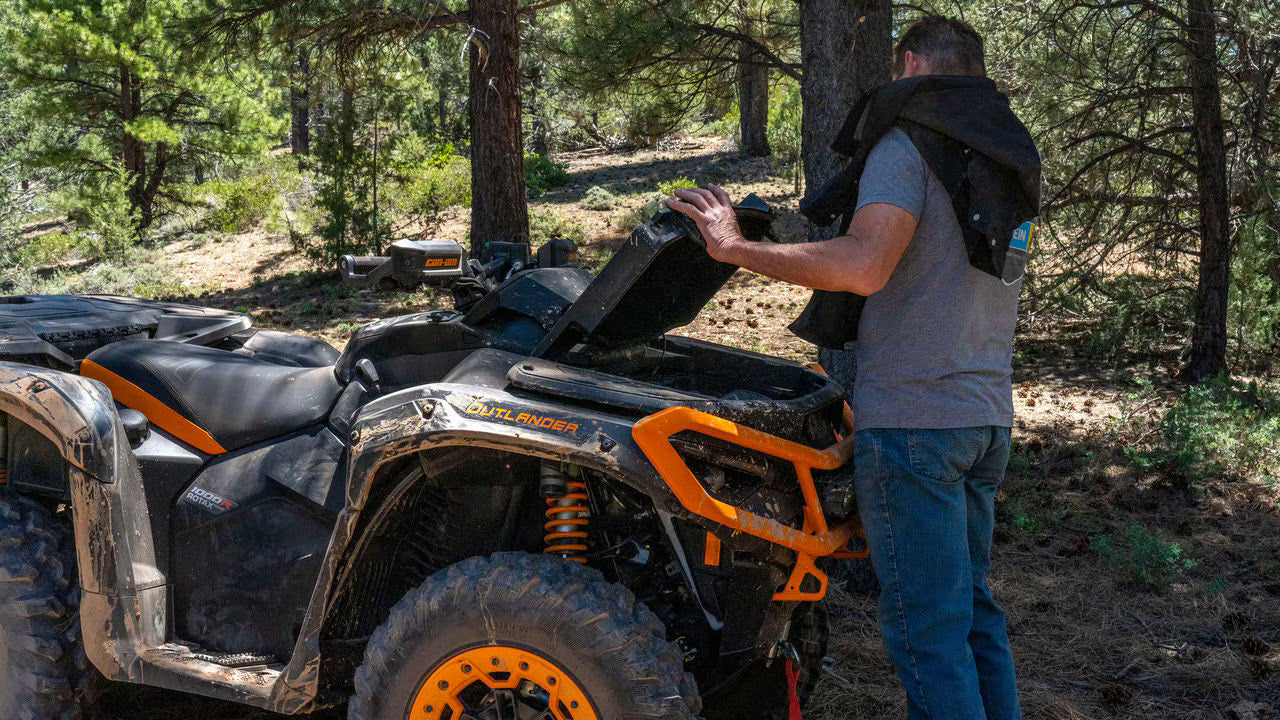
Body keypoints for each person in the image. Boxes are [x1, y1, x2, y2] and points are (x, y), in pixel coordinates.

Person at [666, 16, 1040, 720]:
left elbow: (864, 266)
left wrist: (734, 249)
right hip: (984, 420)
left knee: (926, 630)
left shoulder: (910, 144)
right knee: (971, 612)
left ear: (907, 66)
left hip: (916, 426)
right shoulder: (1000, 159)